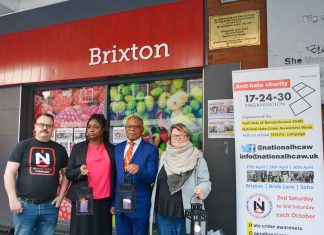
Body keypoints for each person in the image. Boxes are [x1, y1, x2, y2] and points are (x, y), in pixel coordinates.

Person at [4, 113, 69, 235]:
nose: (45, 128)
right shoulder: (23, 146)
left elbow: (67, 175)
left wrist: (60, 197)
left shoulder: (60, 149)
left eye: (49, 125)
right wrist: (12, 199)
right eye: (42, 124)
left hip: (50, 207)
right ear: (35, 126)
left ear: (53, 128)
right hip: (25, 206)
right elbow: (9, 173)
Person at [149, 123, 211, 235]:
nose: (177, 138)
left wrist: (202, 189)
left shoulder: (197, 158)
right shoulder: (164, 156)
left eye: (181, 135)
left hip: (186, 212)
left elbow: (205, 182)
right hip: (163, 212)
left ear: (188, 138)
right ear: (170, 138)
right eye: (174, 136)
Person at [66, 113, 115, 235]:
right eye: (89, 127)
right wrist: (80, 171)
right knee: (82, 230)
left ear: (103, 129)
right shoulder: (78, 148)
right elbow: (69, 173)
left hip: (105, 199)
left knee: (102, 230)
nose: (91, 130)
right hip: (84, 197)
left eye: (96, 127)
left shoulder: (112, 149)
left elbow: (116, 175)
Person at [111, 116, 159, 235]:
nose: (132, 129)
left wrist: (140, 170)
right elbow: (114, 178)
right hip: (120, 206)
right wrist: (113, 203)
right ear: (125, 129)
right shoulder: (118, 148)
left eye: (136, 126)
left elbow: (152, 177)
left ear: (142, 129)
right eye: (129, 126)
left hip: (139, 206)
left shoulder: (151, 150)